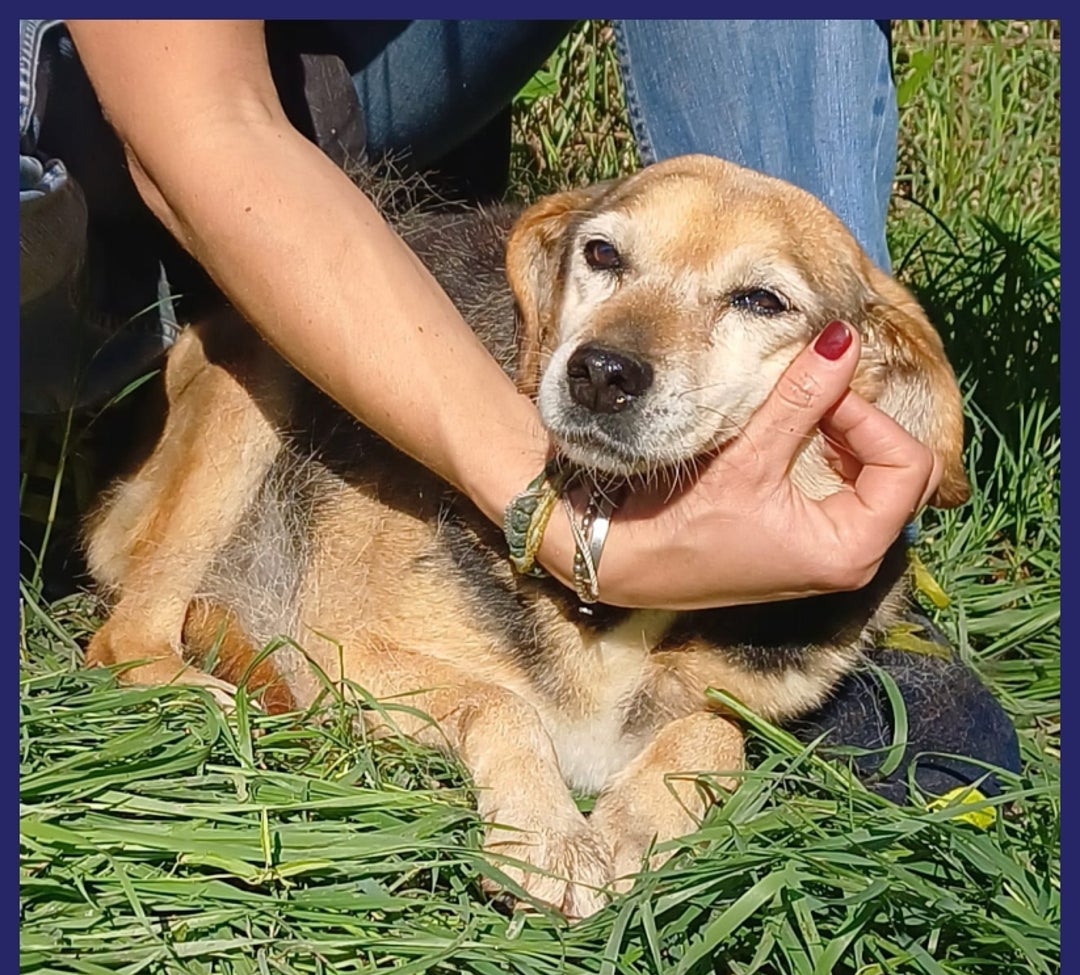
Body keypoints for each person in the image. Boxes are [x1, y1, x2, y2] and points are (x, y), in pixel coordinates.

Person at [19, 19, 1019, 796]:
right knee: (243, 359)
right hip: (82, 124)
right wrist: (561, 524)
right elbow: (204, 124)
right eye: (608, 257)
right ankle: (146, 630)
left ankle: (822, 575)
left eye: (757, 298)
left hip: (318, 62)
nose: (616, 362)